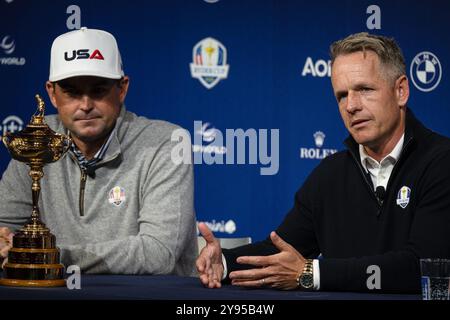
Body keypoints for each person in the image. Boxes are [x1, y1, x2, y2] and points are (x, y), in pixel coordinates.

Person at [197, 32, 450, 293]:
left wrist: (311, 273)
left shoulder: (441, 162)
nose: (351, 105)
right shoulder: (330, 174)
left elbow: (424, 267)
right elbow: (282, 253)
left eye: (364, 89)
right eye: (342, 95)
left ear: (401, 91)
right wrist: (224, 263)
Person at [0, 27, 198, 276]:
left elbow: (158, 253)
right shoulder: (36, 139)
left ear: (122, 89)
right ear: (52, 93)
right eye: (71, 91)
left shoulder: (166, 143)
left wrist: (48, 255)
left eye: (98, 90)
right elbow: (4, 226)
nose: (85, 105)